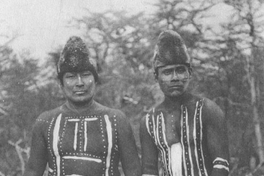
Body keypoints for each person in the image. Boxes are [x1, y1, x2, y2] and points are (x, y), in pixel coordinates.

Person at [24, 36, 141, 176]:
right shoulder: (46, 122)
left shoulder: (116, 120)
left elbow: (134, 171)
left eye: (86, 75)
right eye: (71, 76)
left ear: (95, 80)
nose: (80, 83)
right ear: (61, 83)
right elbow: (32, 172)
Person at [140, 30, 229, 176]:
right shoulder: (149, 121)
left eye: (180, 70)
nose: (175, 78)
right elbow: (149, 170)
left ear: (190, 73)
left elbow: (221, 164)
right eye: (167, 72)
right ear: (156, 76)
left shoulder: (207, 110)